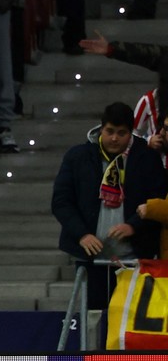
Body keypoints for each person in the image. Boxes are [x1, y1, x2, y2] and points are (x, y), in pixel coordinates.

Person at [52, 102, 166, 308]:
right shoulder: (78, 157)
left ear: (131, 133)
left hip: (134, 259)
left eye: (121, 133)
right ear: (101, 129)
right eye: (110, 131)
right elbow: (61, 202)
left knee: (127, 320)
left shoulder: (148, 158)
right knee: (93, 317)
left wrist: (133, 225)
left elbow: (157, 201)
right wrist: (82, 234)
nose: (114, 138)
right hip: (90, 259)